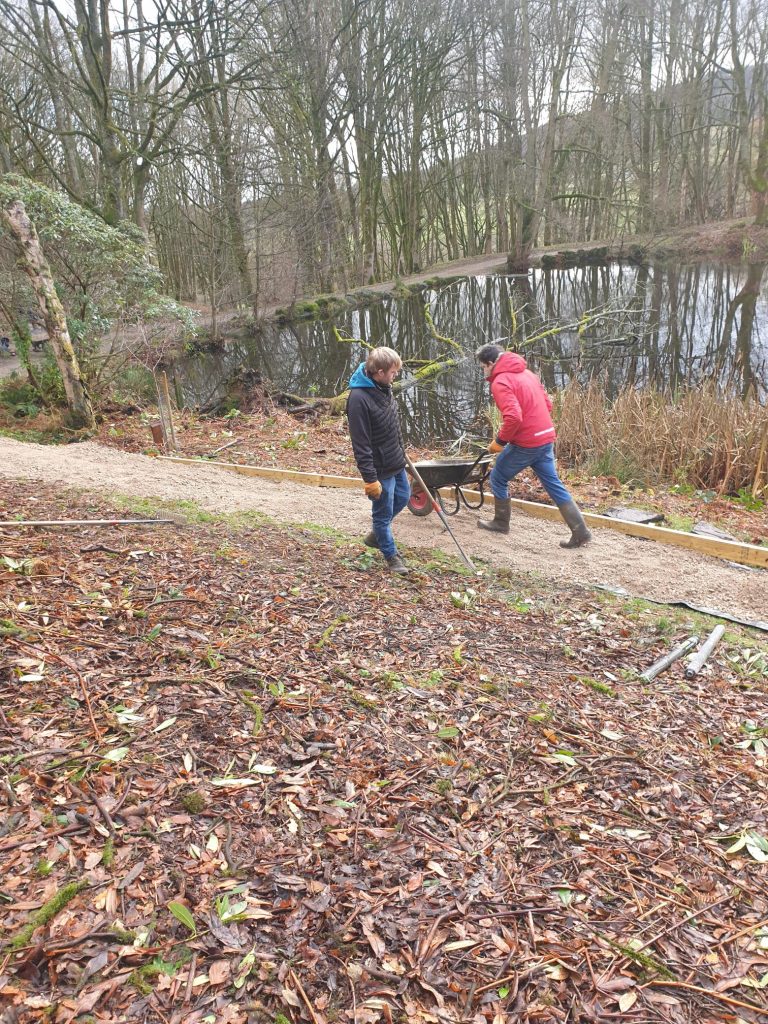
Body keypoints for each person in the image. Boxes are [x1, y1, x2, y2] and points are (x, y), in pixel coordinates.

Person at [475, 343, 591, 548]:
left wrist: (500, 442)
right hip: (546, 436)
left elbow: (513, 417)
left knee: (498, 476)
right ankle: (580, 530)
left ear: (491, 363)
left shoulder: (501, 381)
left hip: (527, 442)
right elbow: (547, 404)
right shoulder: (528, 374)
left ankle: (501, 523)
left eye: (483, 367)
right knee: (553, 483)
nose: (484, 371)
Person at [346, 346, 411, 574]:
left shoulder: (384, 388)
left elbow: (392, 423)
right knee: (382, 514)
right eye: (393, 372)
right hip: (380, 468)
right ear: (380, 371)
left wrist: (401, 451)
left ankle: (377, 534)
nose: (396, 376)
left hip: (395, 461)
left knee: (403, 498)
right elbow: (360, 444)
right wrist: (370, 479)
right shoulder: (358, 399)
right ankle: (391, 556)